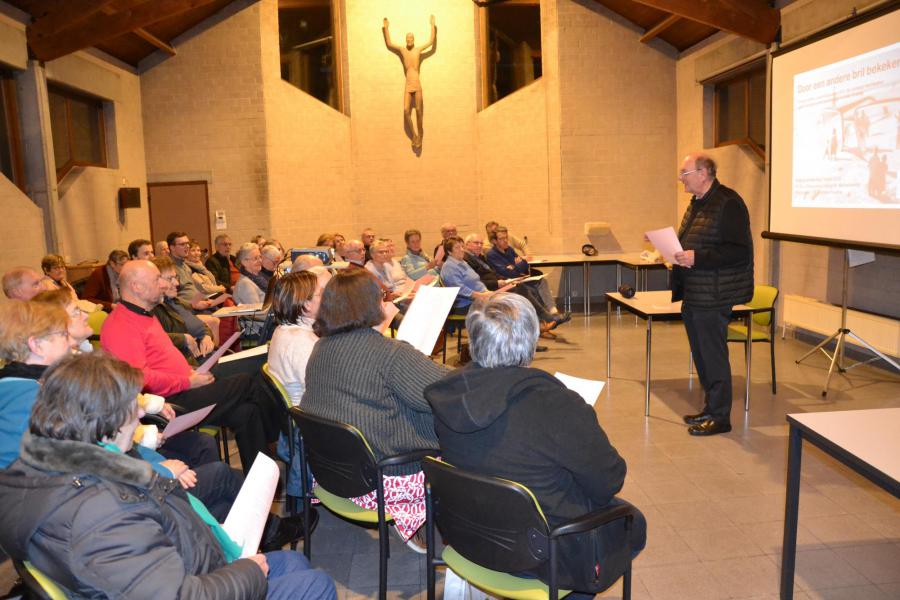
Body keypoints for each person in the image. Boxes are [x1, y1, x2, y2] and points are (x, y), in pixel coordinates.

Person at [0, 352, 336, 600]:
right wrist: (246, 572)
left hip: (180, 566)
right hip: (185, 584)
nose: (141, 409)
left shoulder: (56, 462)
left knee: (292, 561)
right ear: (112, 420)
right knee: (314, 585)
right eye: (134, 402)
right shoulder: (100, 514)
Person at [424, 293, 646, 593]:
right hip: (543, 556)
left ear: (474, 339)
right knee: (633, 522)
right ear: (531, 339)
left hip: (470, 536)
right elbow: (609, 481)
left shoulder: (446, 395)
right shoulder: (555, 403)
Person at [302, 269, 449, 551]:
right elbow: (444, 392)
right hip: (384, 482)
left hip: (336, 473)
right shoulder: (389, 353)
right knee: (460, 427)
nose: (386, 301)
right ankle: (432, 523)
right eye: (382, 297)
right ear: (372, 304)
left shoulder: (320, 347)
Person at [101, 260, 277, 472]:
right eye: (157, 279)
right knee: (246, 382)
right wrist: (187, 381)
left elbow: (162, 361)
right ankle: (286, 439)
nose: (163, 284)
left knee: (246, 412)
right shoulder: (120, 325)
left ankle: (261, 480)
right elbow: (138, 378)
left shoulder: (145, 315)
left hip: (183, 388)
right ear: (137, 286)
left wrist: (190, 373)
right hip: (166, 405)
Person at [673, 153, 753, 436]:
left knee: (713, 355)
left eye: (685, 173)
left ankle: (721, 417)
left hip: (715, 295)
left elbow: (738, 251)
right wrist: (675, 252)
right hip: (696, 292)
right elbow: (694, 243)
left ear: (703, 173)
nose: (681, 178)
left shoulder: (728, 202)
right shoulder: (697, 203)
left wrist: (698, 257)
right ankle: (710, 408)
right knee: (702, 355)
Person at [463, 233, 569, 333]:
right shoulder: (471, 259)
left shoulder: (487, 255)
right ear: (467, 244)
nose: (480, 245)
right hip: (488, 291)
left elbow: (521, 265)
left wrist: (506, 279)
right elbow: (478, 281)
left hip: (502, 283)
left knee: (534, 286)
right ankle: (544, 320)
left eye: (481, 243)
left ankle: (540, 324)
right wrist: (498, 281)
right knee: (522, 289)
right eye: (476, 243)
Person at [268, 268, 331, 406]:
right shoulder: (302, 342)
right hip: (308, 415)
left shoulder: (283, 329)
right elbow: (324, 390)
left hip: (301, 410)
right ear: (307, 305)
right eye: (321, 294)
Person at [382, 15, 436, 149]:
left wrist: (433, 26)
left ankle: (421, 134)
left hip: (417, 84)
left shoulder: (418, 50)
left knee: (418, 110)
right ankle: (414, 136)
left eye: (411, 38)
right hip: (408, 85)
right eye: (407, 38)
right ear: (406, 40)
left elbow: (430, 43)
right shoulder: (402, 50)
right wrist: (386, 28)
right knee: (406, 111)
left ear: (414, 40)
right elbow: (389, 44)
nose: (409, 40)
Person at [151, 256, 217, 362]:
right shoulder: (155, 308)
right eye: (169, 279)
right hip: (192, 363)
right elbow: (153, 339)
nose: (177, 283)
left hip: (204, 355)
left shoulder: (176, 301)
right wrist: (183, 338)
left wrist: (207, 336)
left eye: (176, 277)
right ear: (156, 282)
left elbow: (201, 325)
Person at [438, 236, 493, 316]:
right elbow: (459, 289)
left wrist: (486, 291)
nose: (462, 250)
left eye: (462, 247)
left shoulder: (462, 262)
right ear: (449, 252)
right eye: (457, 247)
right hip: (464, 303)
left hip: (479, 297)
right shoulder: (449, 267)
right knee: (498, 308)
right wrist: (481, 295)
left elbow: (476, 281)